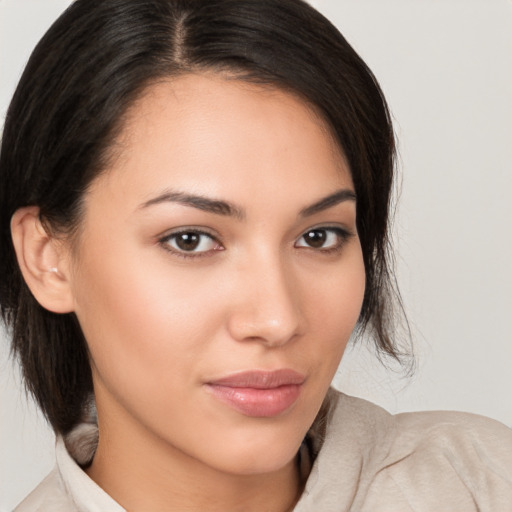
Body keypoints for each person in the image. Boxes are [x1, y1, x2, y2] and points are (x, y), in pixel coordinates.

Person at [0, 0, 510, 510]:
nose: (277, 320)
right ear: (49, 258)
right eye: (191, 240)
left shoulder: (482, 482)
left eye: (318, 236)